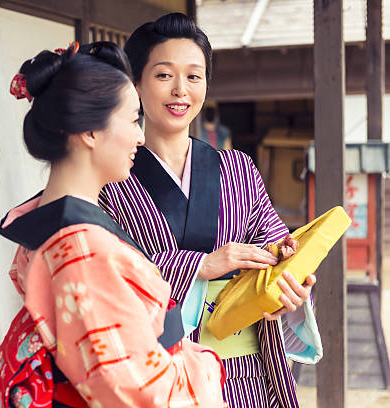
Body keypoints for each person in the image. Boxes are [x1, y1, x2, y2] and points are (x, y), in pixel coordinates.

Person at [0, 42, 227, 408]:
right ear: (90, 132)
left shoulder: (47, 225)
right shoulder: (83, 252)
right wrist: (208, 366)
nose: (140, 136)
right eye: (132, 119)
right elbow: (144, 393)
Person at [99, 13, 322, 408]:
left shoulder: (238, 169)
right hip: (162, 375)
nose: (180, 91)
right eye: (164, 75)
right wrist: (200, 266)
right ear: (134, 84)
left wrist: (290, 285)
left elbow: (275, 253)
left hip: (247, 377)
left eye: (194, 76)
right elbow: (106, 277)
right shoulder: (109, 181)